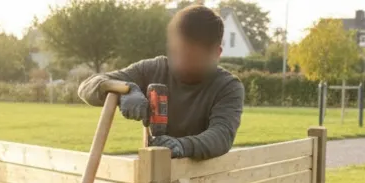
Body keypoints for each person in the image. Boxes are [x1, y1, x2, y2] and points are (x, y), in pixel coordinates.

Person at [77, 5, 244, 160]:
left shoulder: (228, 86)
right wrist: (124, 90)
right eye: (176, 52)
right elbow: (87, 87)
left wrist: (182, 146)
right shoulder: (153, 69)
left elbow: (221, 135)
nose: (180, 63)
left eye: (190, 57)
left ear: (216, 53)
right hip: (155, 175)